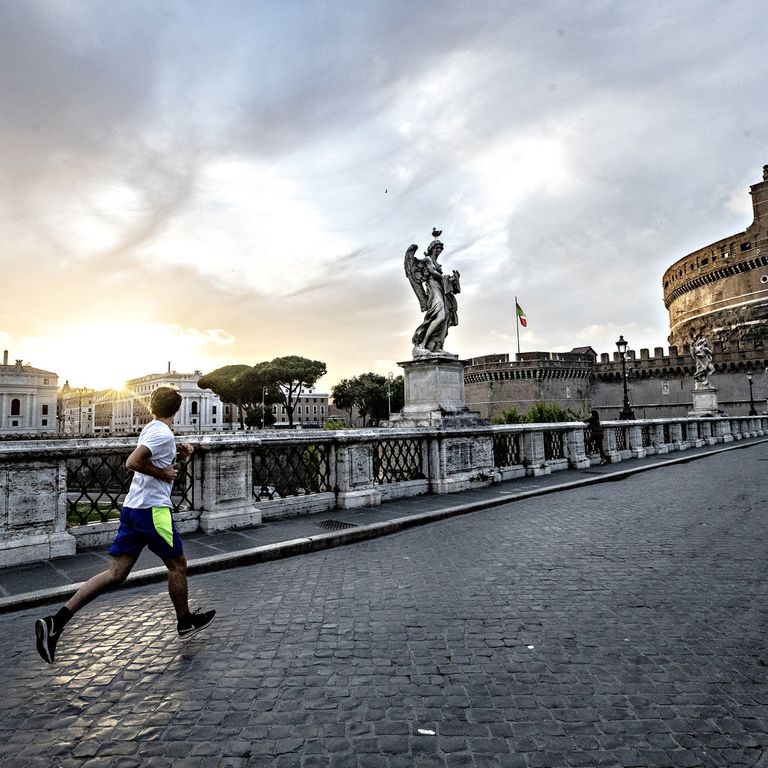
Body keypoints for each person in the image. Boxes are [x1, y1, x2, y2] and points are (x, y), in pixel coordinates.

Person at [35, 386, 215, 664]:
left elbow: (153, 459)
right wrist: (164, 472)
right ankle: (184, 622)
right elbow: (133, 462)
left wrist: (179, 457)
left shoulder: (153, 430)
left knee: (116, 574)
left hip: (133, 508)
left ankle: (56, 621)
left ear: (152, 407)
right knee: (177, 565)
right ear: (177, 410)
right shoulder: (161, 433)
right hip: (153, 511)